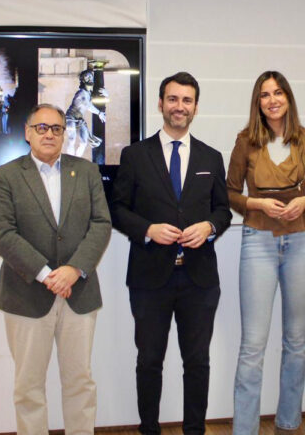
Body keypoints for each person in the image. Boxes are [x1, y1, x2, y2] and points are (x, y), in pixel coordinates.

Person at [112, 72, 233, 435]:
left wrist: (209, 227)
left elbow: (223, 210)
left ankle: (194, 430)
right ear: (161, 103)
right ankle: (149, 429)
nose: (179, 106)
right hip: (150, 279)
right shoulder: (135, 155)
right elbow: (117, 208)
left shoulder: (212, 156)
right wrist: (147, 230)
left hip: (199, 279)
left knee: (197, 362)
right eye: (173, 99)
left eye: (187, 100)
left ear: (195, 107)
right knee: (149, 361)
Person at [0, 104, 112, 435]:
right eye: (41, 128)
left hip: (79, 293)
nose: (49, 134)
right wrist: (46, 274)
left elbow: (101, 224)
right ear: (27, 133)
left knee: (79, 382)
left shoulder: (86, 172)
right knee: (28, 387)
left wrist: (74, 269)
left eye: (56, 128)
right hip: (26, 295)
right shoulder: (8, 175)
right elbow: (2, 234)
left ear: (64, 133)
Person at [227, 71, 305, 435]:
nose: (272, 99)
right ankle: (244, 429)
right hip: (258, 241)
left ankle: (288, 422)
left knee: (296, 341)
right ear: (258, 102)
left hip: (301, 241)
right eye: (265, 94)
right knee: (253, 344)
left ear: (288, 98)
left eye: (278, 92)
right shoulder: (245, 141)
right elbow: (229, 194)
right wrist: (257, 203)